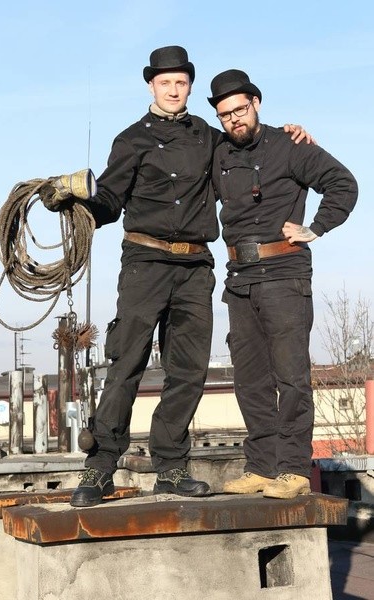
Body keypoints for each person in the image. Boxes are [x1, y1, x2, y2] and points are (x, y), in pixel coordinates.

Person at [43, 47, 310, 507]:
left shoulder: (209, 137)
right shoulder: (131, 140)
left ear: (189, 86)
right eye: (165, 82)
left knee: (188, 370)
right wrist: (76, 201)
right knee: (127, 362)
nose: (173, 89)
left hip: (195, 267)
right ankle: (100, 467)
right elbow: (109, 201)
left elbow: (249, 142)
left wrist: (292, 136)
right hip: (144, 263)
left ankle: (170, 467)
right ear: (151, 85)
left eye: (181, 82)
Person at [207, 69, 358, 499]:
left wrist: (316, 227)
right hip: (239, 280)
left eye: (240, 109)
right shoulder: (218, 153)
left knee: (291, 377)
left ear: (255, 103)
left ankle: (292, 469)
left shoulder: (290, 146)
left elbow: (343, 184)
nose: (234, 119)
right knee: (249, 379)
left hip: (285, 274)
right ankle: (261, 467)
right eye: (225, 115)